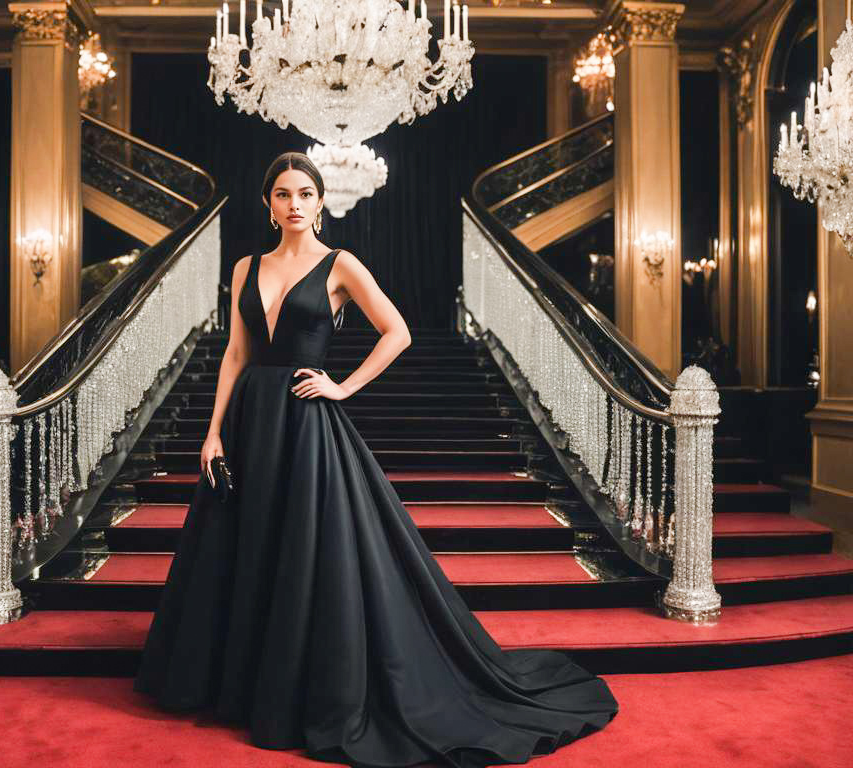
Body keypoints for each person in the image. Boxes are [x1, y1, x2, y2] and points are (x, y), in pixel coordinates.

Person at [134, 151, 618, 766]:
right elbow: (236, 351)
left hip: (307, 423)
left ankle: (300, 687)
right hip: (251, 420)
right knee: (247, 548)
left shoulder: (340, 265)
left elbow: (398, 331)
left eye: (305, 194)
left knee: (305, 550)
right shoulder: (244, 267)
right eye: (282, 194)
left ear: (320, 200)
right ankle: (241, 682)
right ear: (268, 203)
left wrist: (342, 386)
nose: (294, 205)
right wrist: (212, 433)